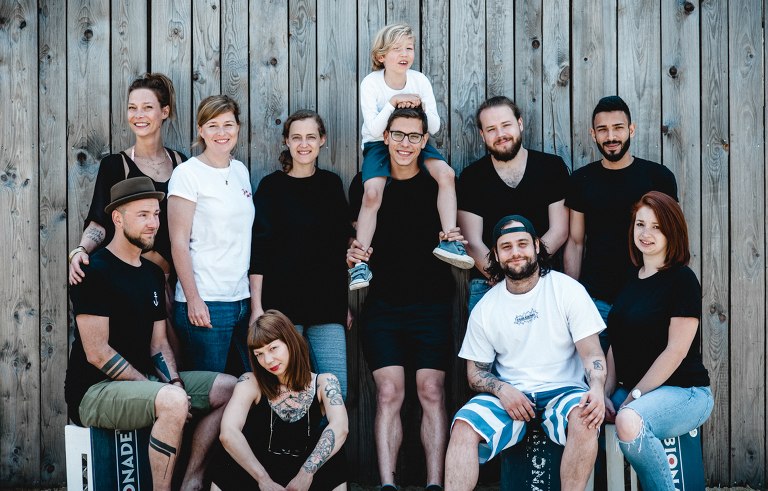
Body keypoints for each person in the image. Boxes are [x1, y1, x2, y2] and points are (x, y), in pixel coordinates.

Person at [64, 177, 236, 491]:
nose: (153, 223)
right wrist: (163, 392)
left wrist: (175, 384)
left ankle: (192, 481)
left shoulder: (153, 273)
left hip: (145, 382)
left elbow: (158, 344)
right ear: (118, 219)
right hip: (93, 390)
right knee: (171, 401)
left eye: (156, 214)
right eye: (143, 215)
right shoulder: (94, 271)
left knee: (231, 389)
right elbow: (97, 353)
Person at [444, 215, 606, 491]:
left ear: (536, 246)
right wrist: (503, 390)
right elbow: (475, 373)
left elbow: (592, 353)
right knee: (463, 426)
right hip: (512, 397)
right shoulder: (486, 307)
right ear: (496, 255)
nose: (515, 252)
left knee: (585, 418)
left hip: (564, 392)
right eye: (506, 247)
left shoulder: (567, 290)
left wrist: (597, 388)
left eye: (522, 244)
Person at [347, 107, 461, 491]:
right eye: (398, 135)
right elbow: (355, 237)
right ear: (386, 137)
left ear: (425, 141)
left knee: (432, 391)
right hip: (383, 306)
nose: (405, 144)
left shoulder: (437, 184)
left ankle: (435, 485)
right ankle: (387, 485)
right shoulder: (367, 185)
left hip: (432, 303)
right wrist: (351, 251)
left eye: (414, 136)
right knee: (387, 393)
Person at [68, 72, 187, 359]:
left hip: (175, 280)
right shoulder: (115, 165)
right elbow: (99, 220)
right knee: (137, 350)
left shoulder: (182, 164)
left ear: (164, 112)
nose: (138, 115)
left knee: (179, 355)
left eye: (147, 107)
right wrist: (80, 250)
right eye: (132, 107)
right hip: (133, 278)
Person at [350, 22, 473, 290]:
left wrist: (420, 106)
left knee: (447, 174)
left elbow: (435, 126)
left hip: (415, 138)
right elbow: (374, 129)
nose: (404, 53)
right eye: (397, 49)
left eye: (409, 48)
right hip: (378, 144)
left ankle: (449, 240)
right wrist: (393, 103)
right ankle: (360, 264)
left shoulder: (419, 80)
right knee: (372, 194)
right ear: (381, 56)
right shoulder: (371, 83)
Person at [604, 191, 712, 491]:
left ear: (672, 232)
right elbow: (617, 341)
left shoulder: (682, 279)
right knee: (585, 411)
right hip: (636, 393)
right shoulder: (631, 277)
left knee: (628, 420)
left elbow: (675, 352)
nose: (646, 234)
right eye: (640, 224)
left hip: (686, 393)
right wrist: (604, 392)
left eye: (656, 227)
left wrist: (633, 397)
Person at [249, 110, 352, 399]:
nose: (303, 144)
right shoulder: (271, 187)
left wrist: (343, 304)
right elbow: (259, 250)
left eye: (310, 137)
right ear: (287, 141)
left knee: (336, 392)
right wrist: (257, 307)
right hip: (282, 308)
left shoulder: (331, 184)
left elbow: (338, 247)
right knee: (285, 393)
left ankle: (329, 433)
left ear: (322, 140)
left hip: (327, 306)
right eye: (296, 137)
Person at [564, 96, 678, 351]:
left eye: (618, 128)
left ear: (631, 130)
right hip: (595, 300)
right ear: (593, 134)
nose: (611, 136)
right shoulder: (582, 180)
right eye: (602, 129)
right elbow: (575, 241)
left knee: (642, 369)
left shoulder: (658, 177)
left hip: (645, 297)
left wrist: (666, 291)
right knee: (594, 370)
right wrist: (572, 297)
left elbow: (672, 237)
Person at [211, 310, 349, 491]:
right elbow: (228, 433)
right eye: (259, 354)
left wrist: (306, 474)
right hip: (259, 472)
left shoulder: (325, 382)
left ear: (290, 341)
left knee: (332, 446)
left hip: (304, 472)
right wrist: (263, 480)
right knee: (230, 450)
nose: (267, 360)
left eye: (273, 348)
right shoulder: (250, 382)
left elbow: (340, 427)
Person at [457, 96, 570, 313]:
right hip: (490, 282)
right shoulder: (471, 177)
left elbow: (559, 230)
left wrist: (528, 274)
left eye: (506, 125)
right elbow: (472, 242)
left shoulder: (551, 167)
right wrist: (504, 277)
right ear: (482, 135)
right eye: (491, 129)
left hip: (542, 279)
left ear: (520, 124)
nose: (500, 134)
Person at [168, 95, 255, 375]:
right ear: (201, 130)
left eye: (228, 124)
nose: (221, 132)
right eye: (213, 125)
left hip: (241, 301)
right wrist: (193, 299)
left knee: (247, 387)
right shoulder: (187, 174)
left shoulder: (240, 170)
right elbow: (178, 242)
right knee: (211, 391)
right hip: (206, 302)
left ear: (238, 127)